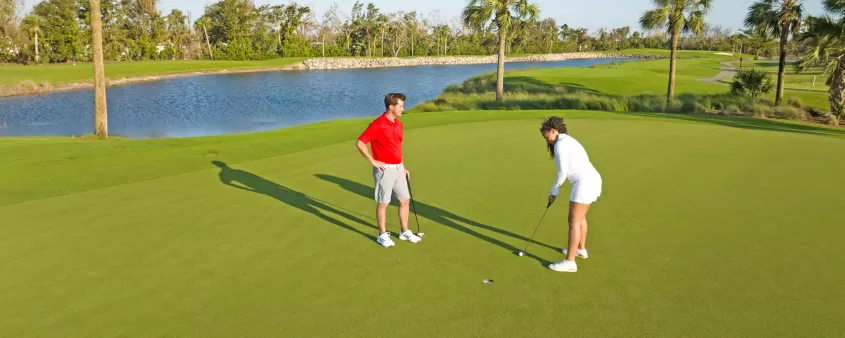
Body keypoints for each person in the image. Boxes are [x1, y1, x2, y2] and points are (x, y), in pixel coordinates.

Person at [356, 93, 422, 248]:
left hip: (399, 169)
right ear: (391, 107)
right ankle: (382, 235)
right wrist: (372, 161)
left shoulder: (398, 124)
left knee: (404, 200)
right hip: (384, 170)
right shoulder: (377, 125)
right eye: (400, 106)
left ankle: (404, 231)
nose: (403, 109)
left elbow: (397, 147)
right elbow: (360, 142)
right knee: (383, 203)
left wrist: (402, 166)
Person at [540, 116, 602, 272]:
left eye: (548, 137)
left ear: (554, 131)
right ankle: (580, 249)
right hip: (592, 180)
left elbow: (562, 173)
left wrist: (554, 191)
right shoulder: (568, 140)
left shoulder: (560, 145)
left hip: (584, 184)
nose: (548, 141)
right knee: (580, 218)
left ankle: (570, 262)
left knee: (573, 221)